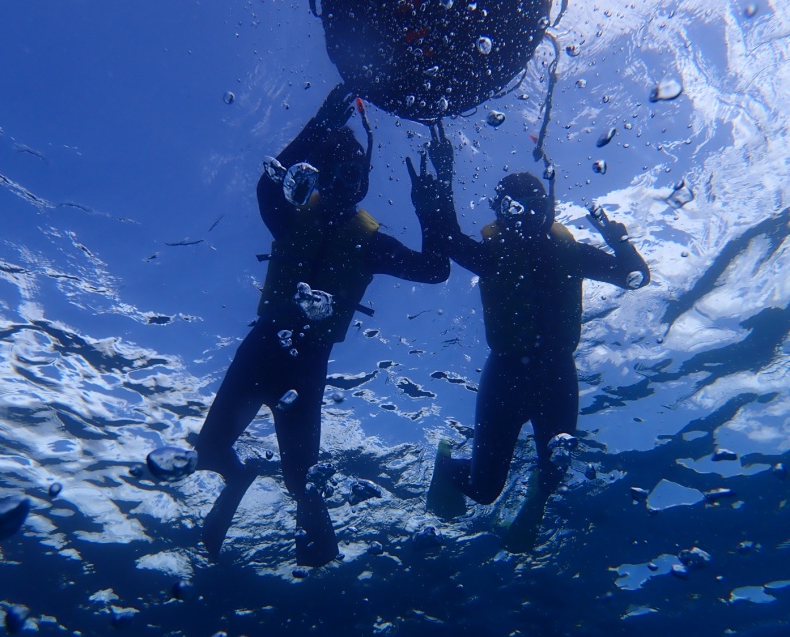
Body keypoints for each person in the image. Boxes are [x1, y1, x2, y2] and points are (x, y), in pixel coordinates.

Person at [195, 85, 453, 567]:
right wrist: (318, 125)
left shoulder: (369, 242)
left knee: (300, 480)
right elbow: (267, 184)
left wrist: (433, 205)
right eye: (334, 176)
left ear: (364, 182)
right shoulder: (292, 218)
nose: (344, 184)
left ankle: (318, 569)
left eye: (354, 176)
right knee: (209, 450)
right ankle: (239, 479)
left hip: (306, 366)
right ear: (318, 179)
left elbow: (435, 269)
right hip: (261, 348)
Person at [427, 166, 651, 551]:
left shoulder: (572, 254)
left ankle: (537, 498)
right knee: (483, 490)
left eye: (537, 207)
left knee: (554, 471)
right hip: (506, 376)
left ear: (548, 209)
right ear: (501, 213)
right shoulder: (491, 256)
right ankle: (445, 465)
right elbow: (447, 238)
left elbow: (636, 276)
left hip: (558, 375)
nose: (529, 217)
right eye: (518, 209)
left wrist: (618, 239)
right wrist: (443, 180)